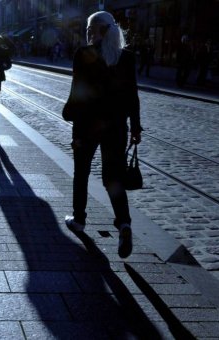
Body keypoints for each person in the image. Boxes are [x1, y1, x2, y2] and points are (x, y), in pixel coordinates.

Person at [61, 11, 142, 258]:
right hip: (117, 128)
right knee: (113, 178)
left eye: (89, 29)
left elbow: (78, 93)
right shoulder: (126, 57)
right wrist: (136, 128)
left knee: (82, 173)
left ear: (96, 30)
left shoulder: (84, 55)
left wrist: (69, 115)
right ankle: (124, 223)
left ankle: (79, 220)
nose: (87, 33)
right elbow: (132, 96)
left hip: (86, 127)